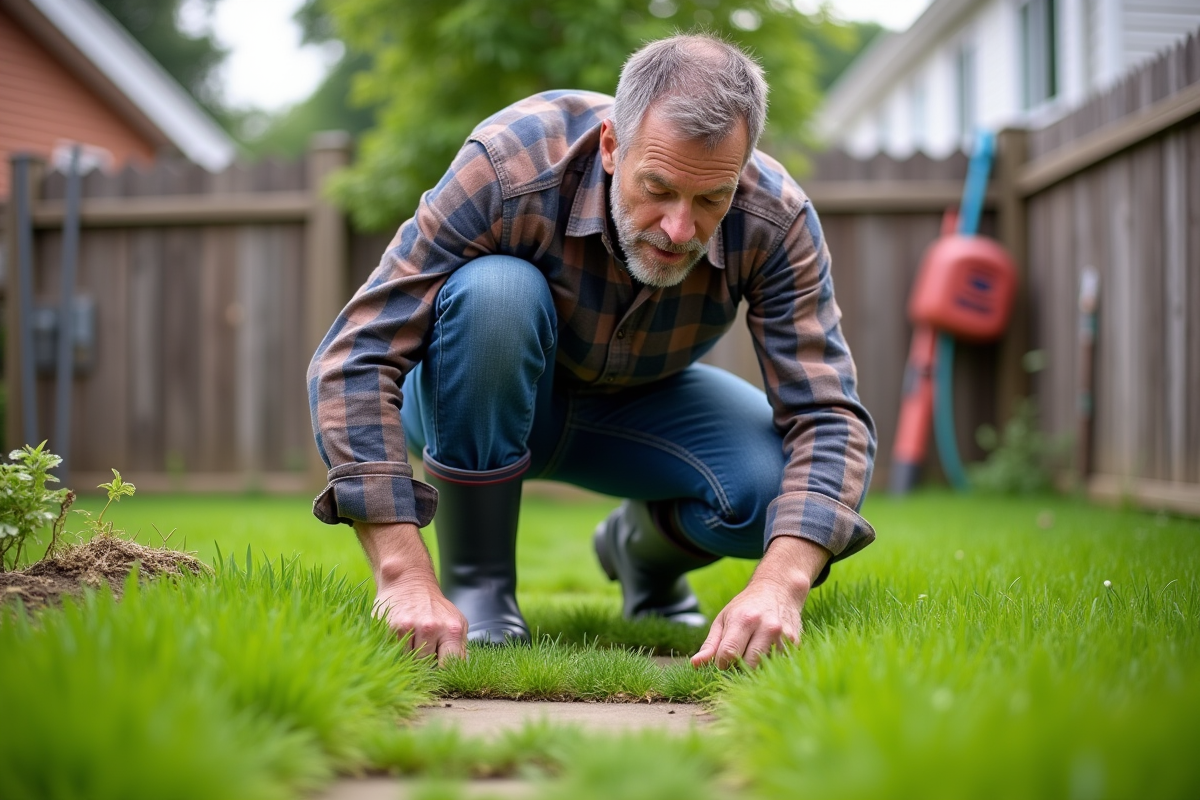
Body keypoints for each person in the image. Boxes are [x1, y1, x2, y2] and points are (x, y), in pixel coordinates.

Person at [307, 33, 876, 670]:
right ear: (611, 146)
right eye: (657, 188)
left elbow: (829, 417)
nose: (679, 228)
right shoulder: (508, 164)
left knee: (771, 494)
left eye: (711, 198)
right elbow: (354, 355)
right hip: (471, 396)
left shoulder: (778, 220)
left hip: (640, 410)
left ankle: (639, 554)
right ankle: (481, 584)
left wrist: (781, 586)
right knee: (498, 292)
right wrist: (402, 576)